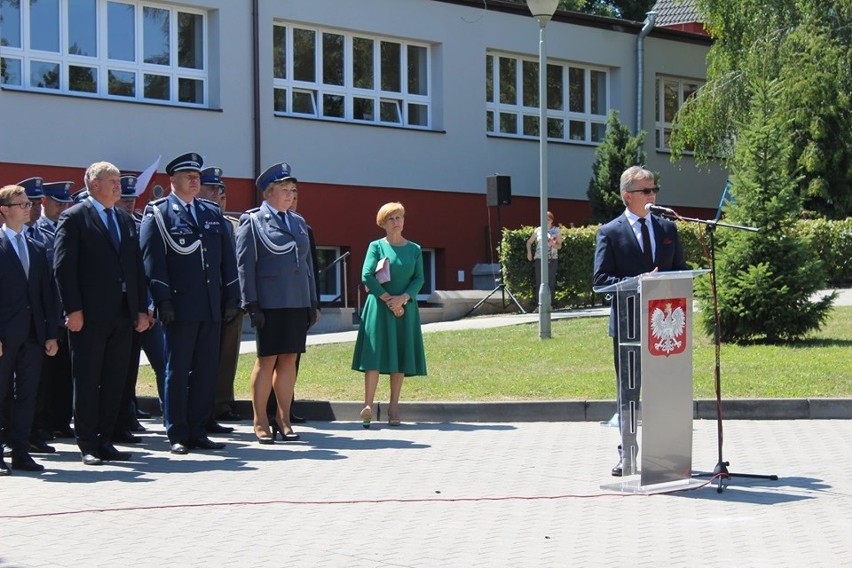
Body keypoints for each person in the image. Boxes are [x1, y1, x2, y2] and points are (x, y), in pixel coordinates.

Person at [140, 153, 240, 455]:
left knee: (206, 370)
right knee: (178, 370)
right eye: (188, 176)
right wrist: (162, 301)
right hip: (180, 308)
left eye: (197, 176)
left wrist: (231, 298)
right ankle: (178, 432)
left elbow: (226, 261)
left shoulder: (210, 212)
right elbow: (153, 263)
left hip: (210, 306)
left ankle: (198, 429)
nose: (195, 180)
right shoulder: (159, 213)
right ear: (172, 180)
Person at [592, 165, 687, 477]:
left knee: (665, 390)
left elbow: (680, 271)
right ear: (626, 196)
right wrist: (640, 281)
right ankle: (627, 455)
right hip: (630, 326)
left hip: (667, 326)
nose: (652, 195)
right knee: (629, 392)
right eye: (645, 191)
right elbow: (601, 281)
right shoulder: (610, 232)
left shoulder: (667, 229)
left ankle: (666, 455)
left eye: (654, 189)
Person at [53, 162, 149, 466]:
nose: (118, 186)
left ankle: (106, 440)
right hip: (89, 316)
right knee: (87, 379)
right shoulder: (75, 217)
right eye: (113, 181)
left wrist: (140, 309)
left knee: (114, 380)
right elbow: (63, 269)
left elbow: (135, 267)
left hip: (122, 314)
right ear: (95, 184)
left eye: (118, 181)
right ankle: (88, 443)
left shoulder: (122, 218)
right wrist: (73, 309)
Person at [236, 162, 317, 444]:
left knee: (289, 360)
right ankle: (260, 421)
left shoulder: (297, 222)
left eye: (292, 190)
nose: (290, 195)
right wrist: (251, 304)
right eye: (284, 190)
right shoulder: (254, 220)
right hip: (269, 303)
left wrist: (312, 302)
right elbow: (245, 265)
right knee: (267, 360)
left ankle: (284, 418)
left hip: (296, 301)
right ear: (268, 193)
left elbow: (307, 265)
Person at [0, 184, 59, 474]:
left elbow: (46, 294)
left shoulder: (36, 247)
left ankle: (21, 452)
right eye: (21, 204)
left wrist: (50, 333)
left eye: (28, 203)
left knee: (27, 396)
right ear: (4, 210)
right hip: (4, 335)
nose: (28, 208)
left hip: (33, 335)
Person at [351, 202, 427, 428]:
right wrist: (388, 300)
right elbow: (367, 275)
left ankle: (394, 406)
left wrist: (403, 298)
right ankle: (367, 405)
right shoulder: (376, 246)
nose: (397, 222)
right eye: (392, 218)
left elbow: (419, 279)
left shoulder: (414, 249)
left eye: (400, 217)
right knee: (374, 355)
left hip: (405, 308)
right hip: (379, 307)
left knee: (399, 355)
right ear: (382, 223)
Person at [30, 181, 75, 450]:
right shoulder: (35, 234)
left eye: (65, 203)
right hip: (41, 316)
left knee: (62, 374)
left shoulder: (63, 229)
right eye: (57, 203)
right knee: (41, 377)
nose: (63, 208)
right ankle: (41, 424)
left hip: (62, 314)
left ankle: (59, 420)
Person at [198, 166, 242, 428]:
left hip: (231, 301)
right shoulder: (195, 222)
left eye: (220, 190)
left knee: (227, 356)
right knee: (201, 357)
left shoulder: (232, 225)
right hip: (202, 302)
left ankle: (222, 404)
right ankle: (200, 408)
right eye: (212, 189)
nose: (218, 194)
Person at [526, 211, 562, 303]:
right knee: (539, 282)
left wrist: (552, 244)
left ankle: (550, 304)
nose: (546, 221)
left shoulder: (556, 230)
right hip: (539, 259)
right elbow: (529, 242)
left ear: (552, 220)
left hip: (552, 259)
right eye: (544, 219)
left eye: (548, 220)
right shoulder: (538, 230)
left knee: (551, 282)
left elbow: (559, 246)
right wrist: (529, 253)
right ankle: (540, 305)